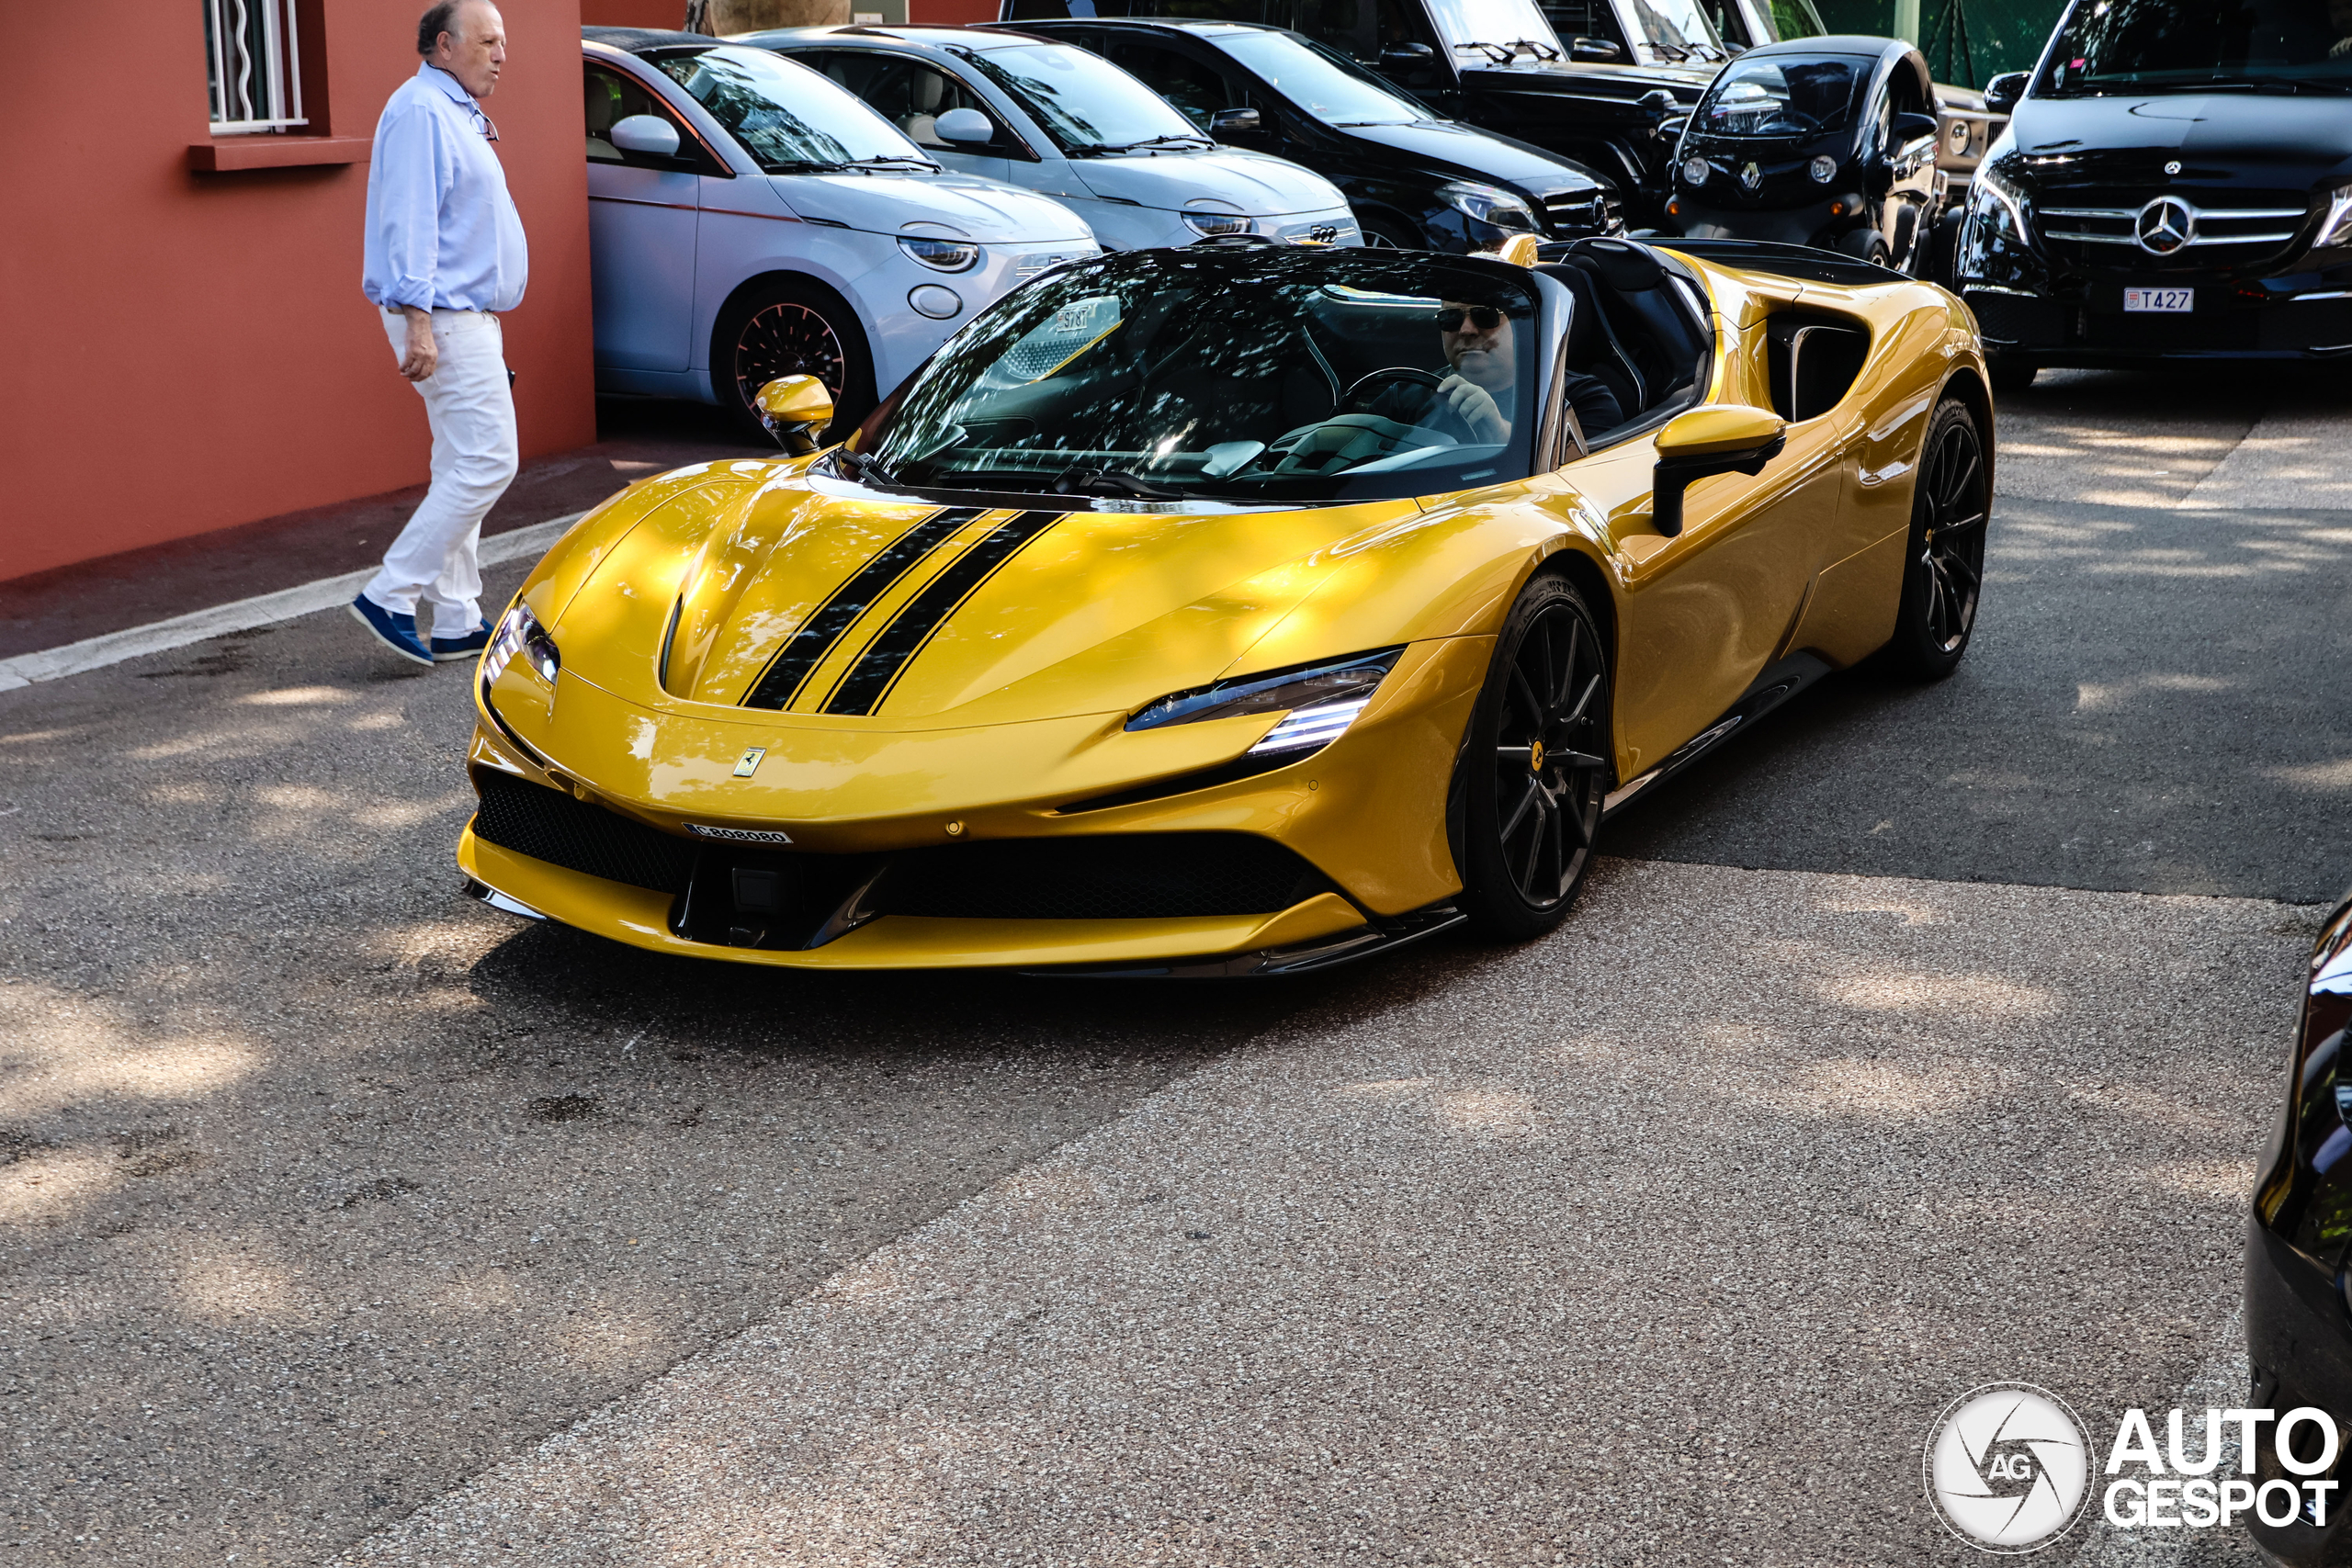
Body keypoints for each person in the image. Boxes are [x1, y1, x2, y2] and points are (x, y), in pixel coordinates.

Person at [352, 0, 526, 668]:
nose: (501, 54)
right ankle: (390, 593)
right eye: (488, 41)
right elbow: (410, 221)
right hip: (443, 317)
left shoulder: (452, 111)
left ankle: (456, 616)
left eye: (503, 42)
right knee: (490, 460)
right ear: (444, 46)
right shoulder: (422, 110)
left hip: (462, 315)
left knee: (460, 461)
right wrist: (417, 319)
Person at [1408, 300, 1624, 447]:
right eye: (1451, 318)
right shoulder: (1407, 392)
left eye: (1485, 315)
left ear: (1522, 325)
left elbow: (1583, 489)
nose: (1466, 329)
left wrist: (1501, 433)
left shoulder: (1581, 399)